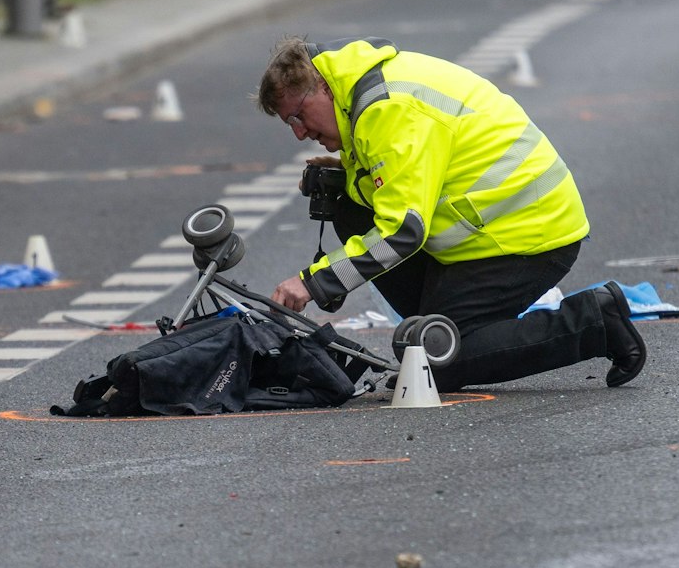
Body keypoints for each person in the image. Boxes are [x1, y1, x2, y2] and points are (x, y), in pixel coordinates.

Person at [257, 36, 647, 393]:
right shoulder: (358, 91)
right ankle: (442, 329)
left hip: (529, 234)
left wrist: (315, 281)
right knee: (344, 202)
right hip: (487, 233)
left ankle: (594, 321)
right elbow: (401, 184)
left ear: (322, 87)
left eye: (298, 116)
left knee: (436, 363)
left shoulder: (388, 110)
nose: (299, 133)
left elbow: (402, 231)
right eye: (288, 123)